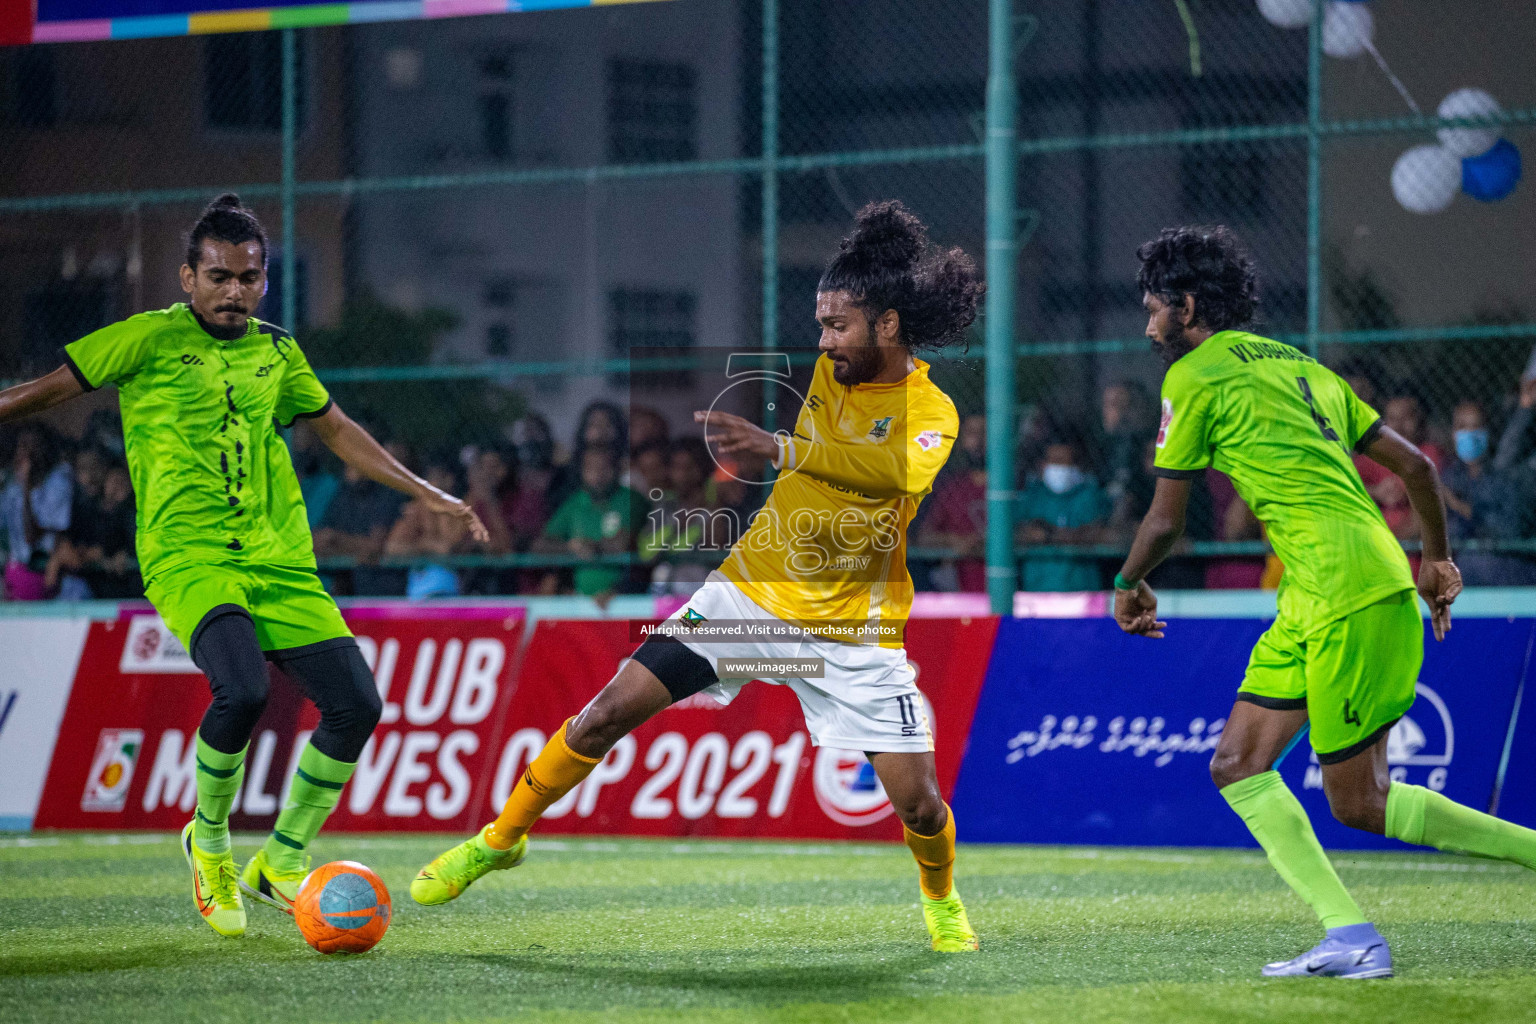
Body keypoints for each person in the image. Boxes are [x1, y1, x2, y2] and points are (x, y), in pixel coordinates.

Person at [411, 200, 986, 953]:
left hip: (855, 634)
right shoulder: (829, 370)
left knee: (919, 807)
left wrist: (779, 450)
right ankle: (500, 837)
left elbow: (890, 473)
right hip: (747, 598)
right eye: (820, 324)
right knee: (607, 710)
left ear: (887, 325)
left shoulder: (930, 408)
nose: (823, 340)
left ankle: (940, 900)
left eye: (837, 325)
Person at [0, 194, 487, 938]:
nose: (234, 291)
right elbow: (44, 392)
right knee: (243, 689)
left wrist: (432, 494)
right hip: (189, 556)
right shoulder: (144, 339)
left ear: (264, 282)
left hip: (281, 560)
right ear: (187, 277)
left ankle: (282, 860)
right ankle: (211, 840)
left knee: (357, 705)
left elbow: (339, 430)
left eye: (248, 278)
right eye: (219, 276)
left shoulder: (278, 350)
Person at [1115, 225, 1536, 980]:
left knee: (1359, 801)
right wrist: (1435, 558)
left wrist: (1127, 584)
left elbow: (1166, 519)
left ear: (1186, 305)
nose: (1148, 327)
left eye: (1153, 309)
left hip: (1348, 589)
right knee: (1238, 763)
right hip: (1318, 588)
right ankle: (1350, 935)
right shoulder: (1302, 365)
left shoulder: (1194, 377)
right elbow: (1416, 467)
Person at [534, 444, 648, 600]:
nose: (598, 475)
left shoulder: (632, 500)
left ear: (617, 469)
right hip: (580, 602)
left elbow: (623, 542)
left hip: (625, 597)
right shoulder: (575, 503)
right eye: (590, 469)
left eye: (604, 468)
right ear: (581, 471)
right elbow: (540, 545)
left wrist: (591, 547)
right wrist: (569, 546)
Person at [1441, 400, 1536, 585]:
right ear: (1453, 433)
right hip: (1466, 579)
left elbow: (1511, 530)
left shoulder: (1508, 475)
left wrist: (1462, 508)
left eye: (1476, 427)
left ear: (1488, 431)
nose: (1469, 434)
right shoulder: (1449, 477)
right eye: (1463, 427)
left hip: (1510, 577)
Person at [1014, 439, 1110, 592]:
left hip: (1082, 591)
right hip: (1037, 589)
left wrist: (1052, 535)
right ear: (1042, 465)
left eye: (1065, 462)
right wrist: (1031, 533)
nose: (1058, 467)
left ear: (1077, 466)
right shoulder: (1032, 495)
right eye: (1054, 462)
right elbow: (1016, 531)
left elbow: (1105, 532)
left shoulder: (1091, 495)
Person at [49, 455, 142, 600]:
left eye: (123, 482)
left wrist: (122, 553)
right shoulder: (86, 509)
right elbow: (73, 552)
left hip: (129, 593)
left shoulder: (133, 513)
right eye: (115, 481)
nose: (118, 488)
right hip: (94, 594)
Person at [385, 454, 478, 599]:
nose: (430, 485)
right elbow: (393, 548)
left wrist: (422, 544)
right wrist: (425, 545)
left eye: (436, 479)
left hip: (452, 588)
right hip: (418, 591)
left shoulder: (462, 508)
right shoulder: (417, 507)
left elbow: (447, 548)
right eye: (428, 480)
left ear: (450, 480)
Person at [0, 424, 73, 600]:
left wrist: (26, 488)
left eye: (29, 447)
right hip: (13, 572)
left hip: (43, 574)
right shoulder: (12, 484)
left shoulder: (58, 481)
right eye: (21, 446)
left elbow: (32, 536)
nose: (22, 454)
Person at [917, 413, 986, 592]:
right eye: (972, 433)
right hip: (960, 590)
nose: (979, 441)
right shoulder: (951, 488)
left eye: (985, 433)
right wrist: (956, 541)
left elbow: (1031, 531)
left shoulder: (1015, 486)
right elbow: (924, 537)